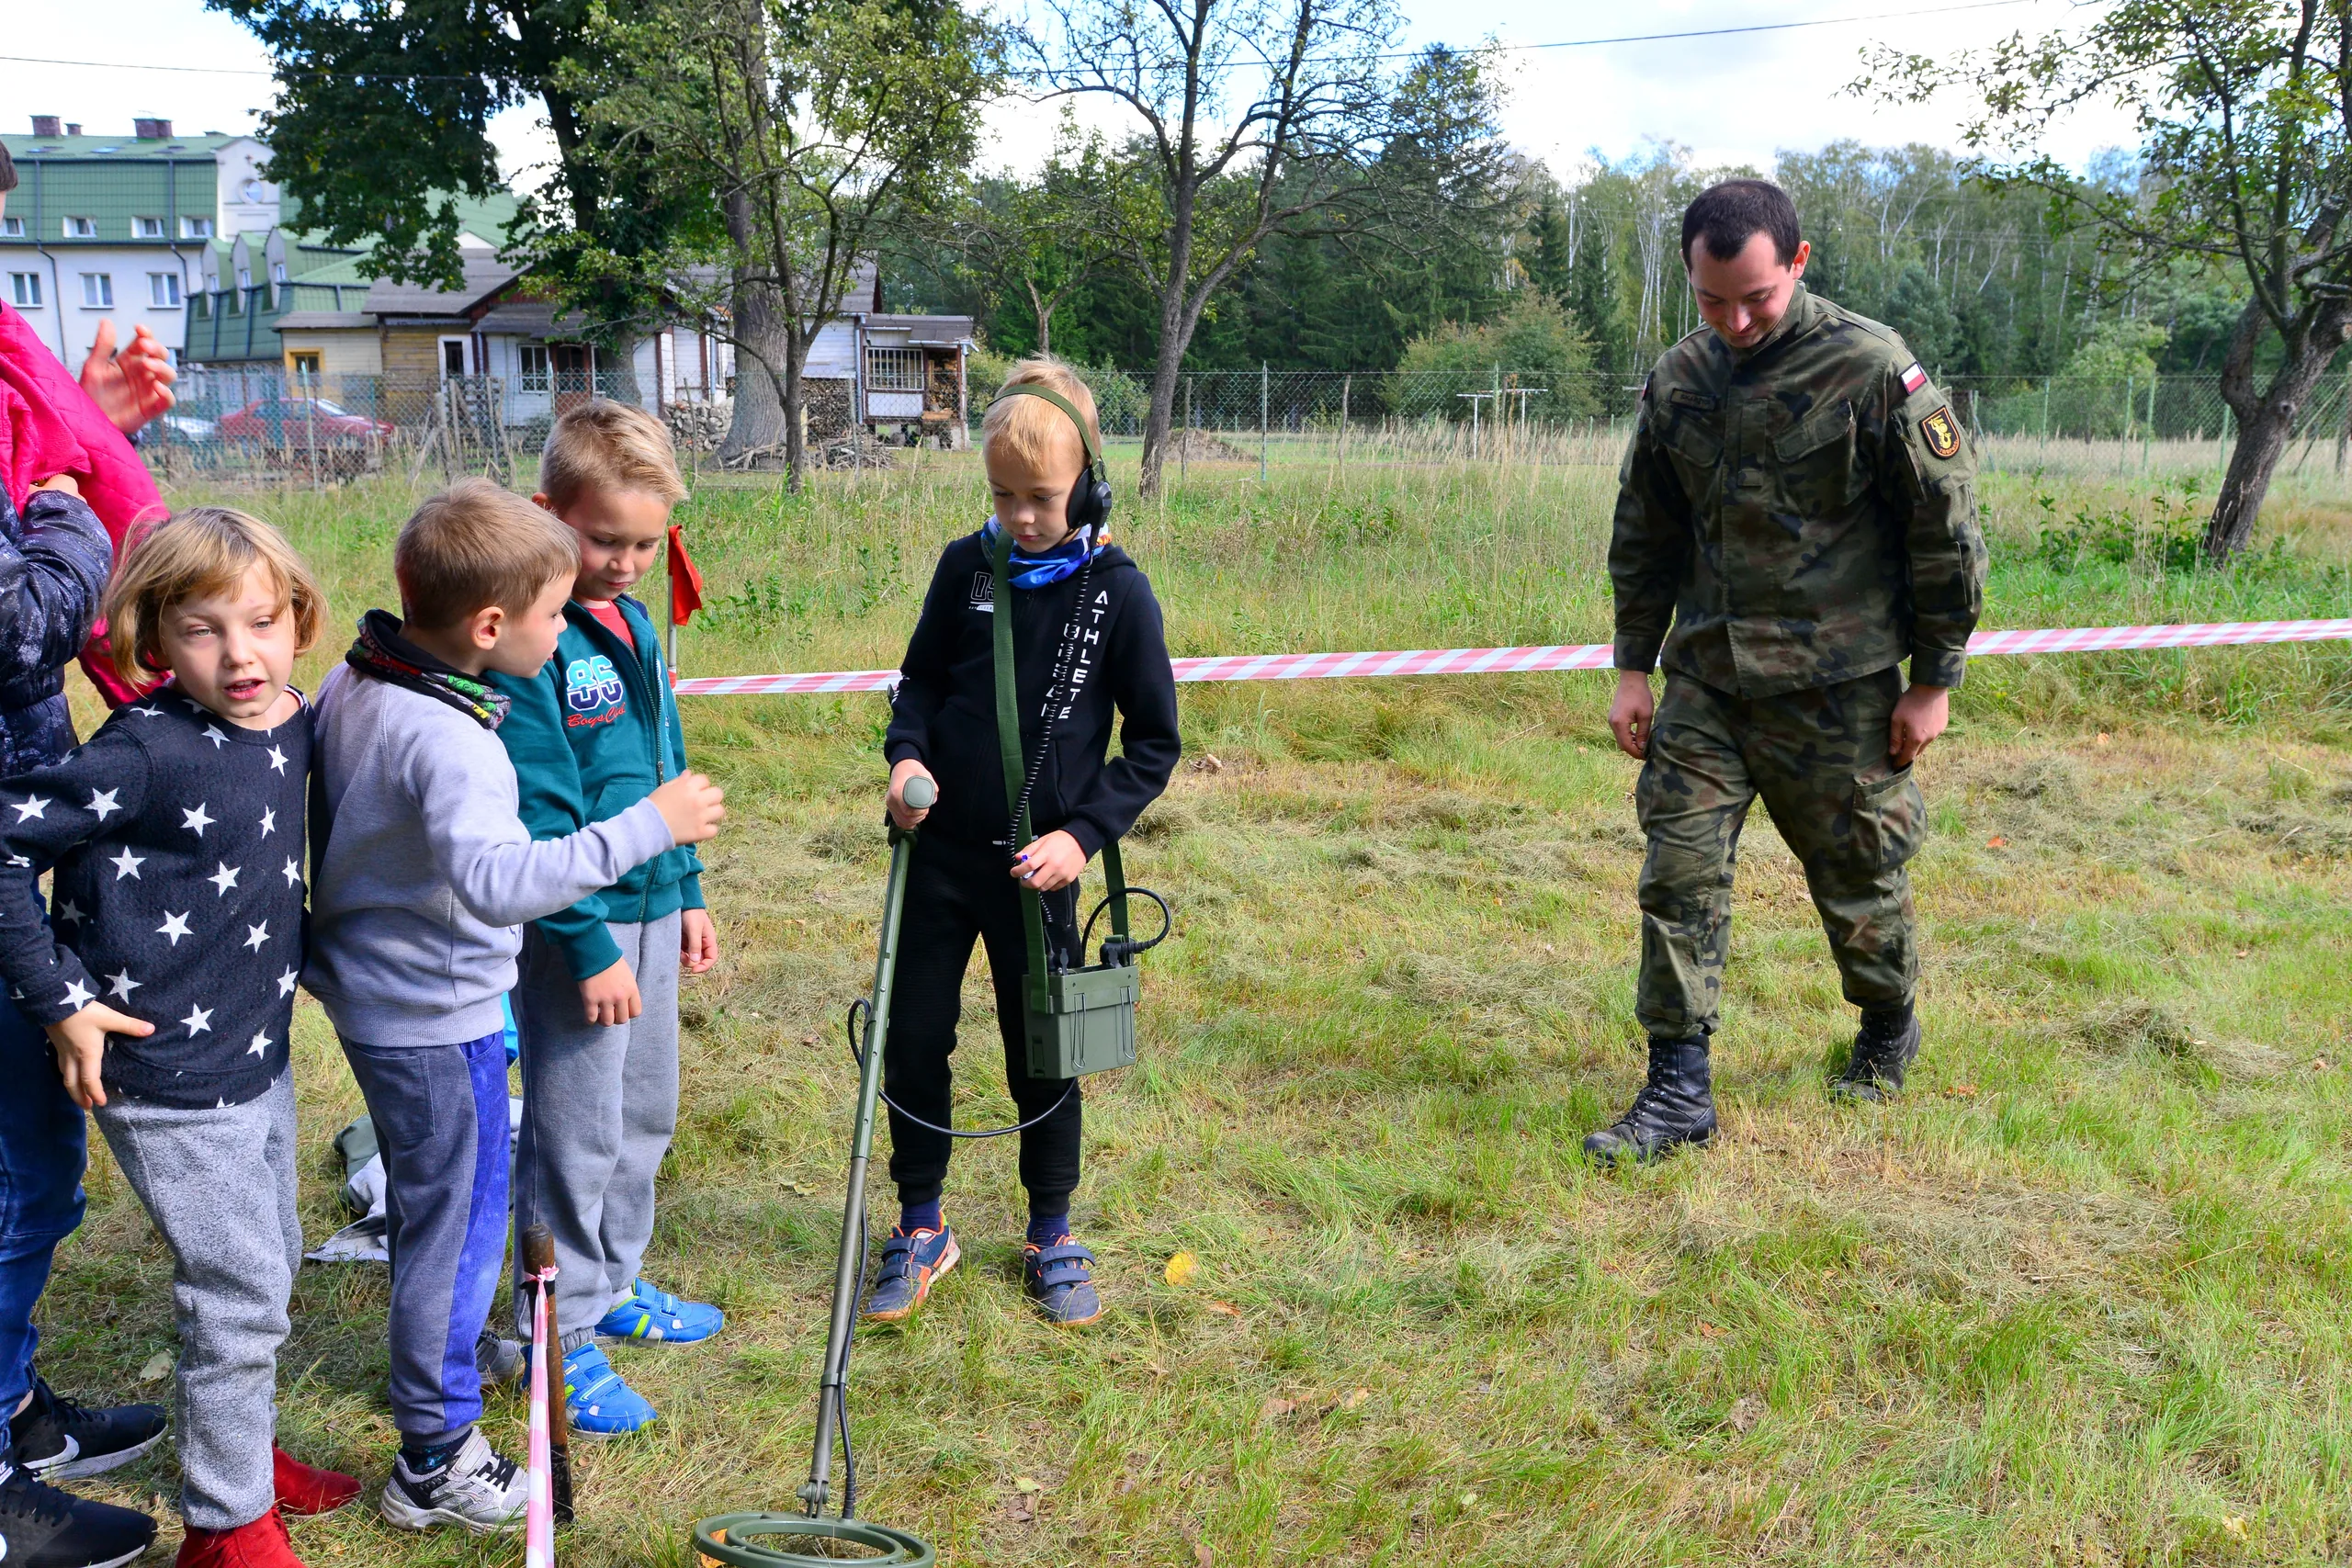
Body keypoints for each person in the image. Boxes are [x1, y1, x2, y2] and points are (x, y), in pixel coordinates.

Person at [303, 479, 724, 1530]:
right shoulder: (455, 739)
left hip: (388, 996)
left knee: (447, 1212)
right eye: (552, 611)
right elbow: (501, 881)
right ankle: (436, 1456)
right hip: (431, 1019)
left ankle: (470, 1371)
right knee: (457, 1225)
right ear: (491, 627)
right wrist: (650, 827)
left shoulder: (365, 680)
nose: (566, 622)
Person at [1589, 178, 1985, 1163]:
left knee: (1860, 885)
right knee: (1676, 876)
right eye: (1711, 300)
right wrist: (1632, 668)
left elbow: (1945, 534)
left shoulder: (1871, 366)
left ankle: (1887, 1024)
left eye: (1755, 297)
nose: (1733, 320)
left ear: (1796, 264)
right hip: (1709, 684)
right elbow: (1644, 531)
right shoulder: (1679, 377)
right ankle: (1678, 1092)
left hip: (1839, 690)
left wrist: (1932, 681)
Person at [0, 508, 361, 1568]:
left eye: (261, 621)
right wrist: (59, 998)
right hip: (162, 1071)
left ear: (299, 621)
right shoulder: (143, 752)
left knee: (272, 1262)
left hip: (257, 1056)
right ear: (152, 639)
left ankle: (241, 1451)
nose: (239, 654)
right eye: (203, 630)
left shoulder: (296, 715)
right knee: (239, 1286)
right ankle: (226, 1524)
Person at [871, 356, 1181, 1327]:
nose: (1021, 517)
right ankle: (921, 1223)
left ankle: (1051, 1229)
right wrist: (904, 758)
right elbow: (917, 685)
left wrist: (1081, 838)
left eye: (1041, 498)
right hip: (938, 860)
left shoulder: (1118, 594)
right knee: (912, 1036)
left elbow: (1155, 744)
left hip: (1035, 873)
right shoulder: (967, 565)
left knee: (1040, 1051)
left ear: (1089, 480)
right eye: (1002, 496)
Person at [490, 401, 720, 1438]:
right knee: (572, 1133)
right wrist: (584, 946)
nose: (625, 563)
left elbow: (662, 767)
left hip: (647, 912)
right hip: (576, 932)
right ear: (549, 516)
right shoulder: (532, 639)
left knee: (643, 1112)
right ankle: (556, 1332)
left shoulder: (635, 620)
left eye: (643, 542)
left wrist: (686, 891)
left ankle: (612, 1281)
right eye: (603, 540)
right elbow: (541, 812)